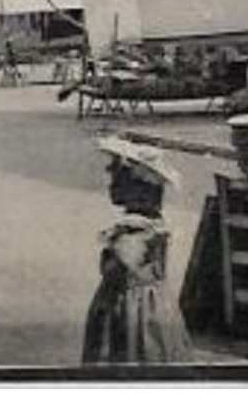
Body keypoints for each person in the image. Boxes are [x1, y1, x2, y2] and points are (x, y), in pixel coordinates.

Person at [81, 135, 191, 365]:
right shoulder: (152, 222)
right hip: (154, 302)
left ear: (135, 186)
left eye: (116, 177)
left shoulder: (135, 228)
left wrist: (113, 252)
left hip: (133, 307)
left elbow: (125, 264)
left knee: (133, 353)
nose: (110, 184)